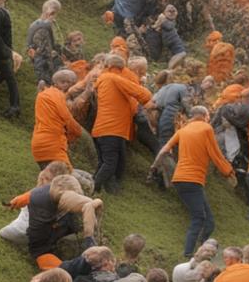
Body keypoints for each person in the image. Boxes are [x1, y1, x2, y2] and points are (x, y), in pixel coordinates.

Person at [153, 106, 236, 258]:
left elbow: (164, 150)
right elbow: (215, 153)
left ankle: (201, 251)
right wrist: (228, 171)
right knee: (199, 217)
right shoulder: (206, 128)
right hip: (192, 179)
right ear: (205, 116)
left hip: (180, 179)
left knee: (209, 221)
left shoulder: (182, 130)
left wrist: (153, 168)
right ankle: (188, 254)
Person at [91, 54, 154, 194]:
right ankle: (93, 188)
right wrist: (150, 100)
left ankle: (100, 188)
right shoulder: (113, 78)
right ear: (118, 67)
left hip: (101, 129)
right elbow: (141, 93)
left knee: (105, 161)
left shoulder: (102, 79)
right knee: (110, 163)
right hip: (112, 129)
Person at [25, 174, 102, 269]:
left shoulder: (42, 192)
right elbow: (89, 206)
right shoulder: (64, 196)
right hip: (43, 246)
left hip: (47, 237)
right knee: (67, 270)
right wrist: (89, 238)